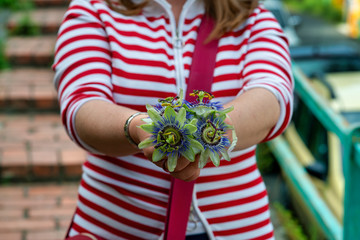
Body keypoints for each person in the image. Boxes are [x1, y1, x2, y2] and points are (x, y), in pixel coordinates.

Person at [53, 0, 293, 239]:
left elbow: (273, 95)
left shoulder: (251, 14)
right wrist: (137, 128)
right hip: (117, 226)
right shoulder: (92, 9)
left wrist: (214, 131)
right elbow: (82, 105)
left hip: (237, 226)